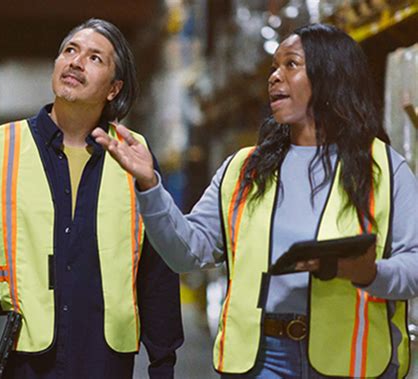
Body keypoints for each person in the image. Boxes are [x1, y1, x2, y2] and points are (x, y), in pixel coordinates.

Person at [93, 23, 418, 378]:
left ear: (330, 76)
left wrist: (370, 273)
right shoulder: (243, 169)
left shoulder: (384, 168)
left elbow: (414, 266)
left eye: (291, 65)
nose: (275, 77)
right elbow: (185, 253)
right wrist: (150, 184)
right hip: (261, 360)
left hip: (352, 361)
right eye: (274, 67)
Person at [0, 18, 183, 379]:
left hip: (104, 360)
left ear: (114, 89)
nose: (75, 61)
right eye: (69, 50)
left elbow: (155, 268)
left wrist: (162, 362)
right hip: (22, 358)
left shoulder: (134, 156)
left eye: (94, 58)